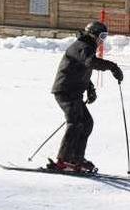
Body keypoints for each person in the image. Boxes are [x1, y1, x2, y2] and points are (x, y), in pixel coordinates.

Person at [49, 21, 124, 173]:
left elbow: (81, 69)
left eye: (105, 37)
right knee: (75, 122)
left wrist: (89, 88)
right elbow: (90, 62)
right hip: (65, 91)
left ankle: (76, 158)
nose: (102, 40)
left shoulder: (87, 47)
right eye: (101, 36)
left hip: (73, 92)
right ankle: (63, 160)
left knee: (86, 122)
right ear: (93, 34)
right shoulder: (82, 46)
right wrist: (112, 66)